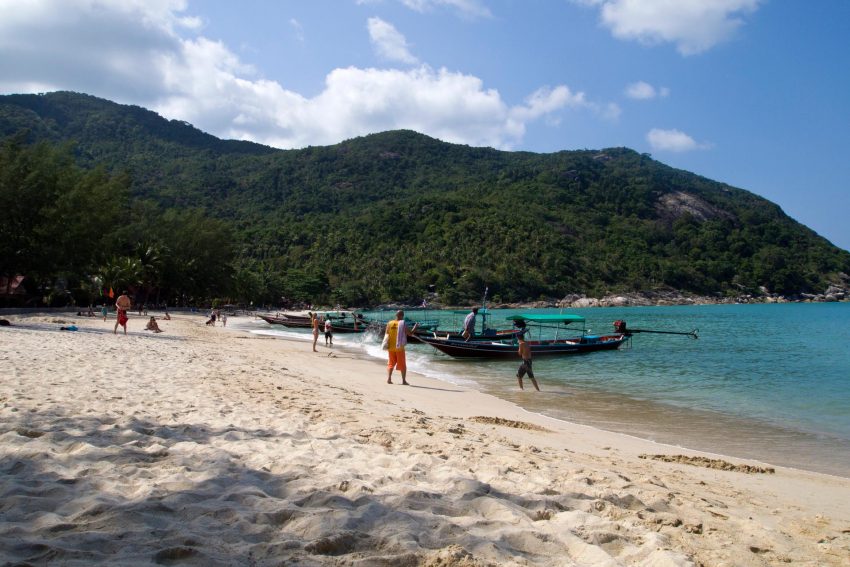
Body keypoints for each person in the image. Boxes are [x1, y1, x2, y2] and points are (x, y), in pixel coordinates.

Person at [386, 310, 419, 385]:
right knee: (402, 365)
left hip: (390, 347)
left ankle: (389, 379)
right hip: (399, 347)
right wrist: (415, 327)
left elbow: (386, 335)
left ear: (396, 315)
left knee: (391, 363)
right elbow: (410, 334)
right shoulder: (403, 323)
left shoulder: (389, 323)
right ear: (402, 316)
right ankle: (403, 381)